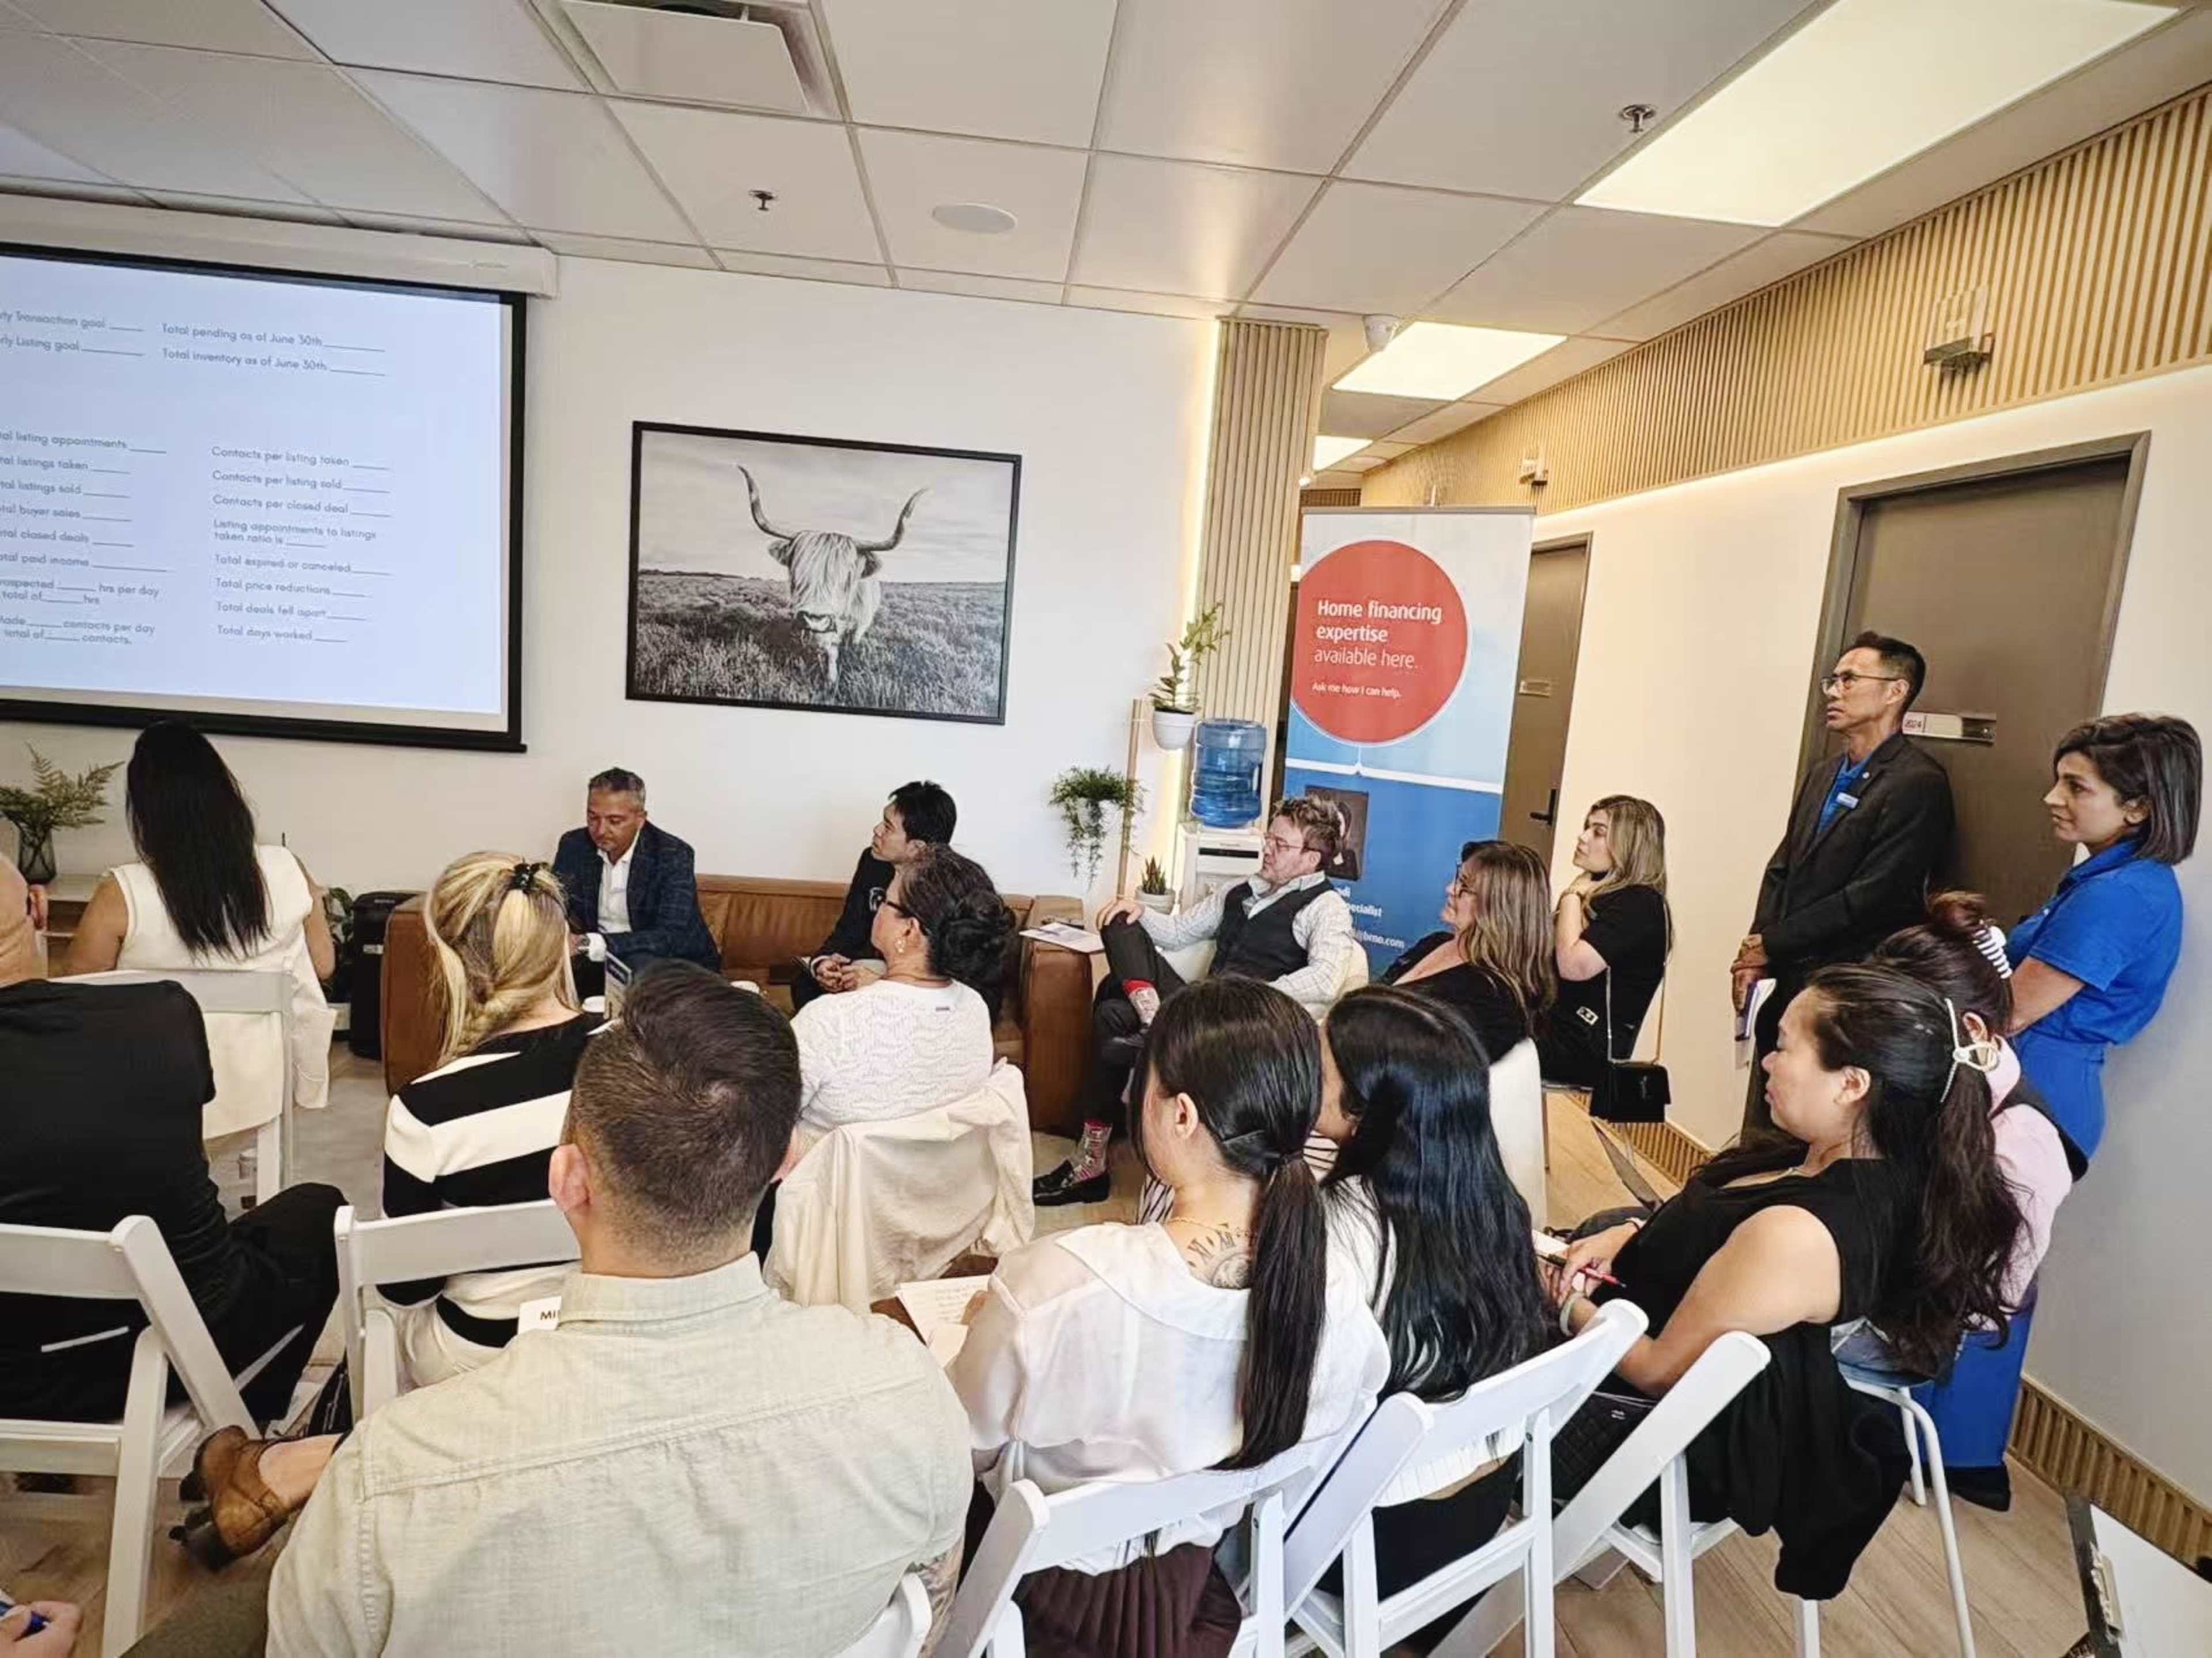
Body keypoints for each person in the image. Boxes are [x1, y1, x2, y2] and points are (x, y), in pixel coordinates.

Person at [250, 964, 971, 1656]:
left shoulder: (390, 1482)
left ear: (568, 1182)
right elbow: (929, 1616)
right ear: (786, 1158)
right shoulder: (910, 1391)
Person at [1550, 964, 2022, 1598]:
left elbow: (1659, 1369)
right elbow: (1701, 1231)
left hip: (1616, 1420)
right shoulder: (1825, 1154)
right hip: (1608, 1325)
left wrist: (1565, 1302)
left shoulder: (1801, 1235)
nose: (1767, 1062)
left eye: (1784, 1046)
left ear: (1852, 1083)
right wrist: (1629, 1232)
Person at [950, 978, 1388, 1658]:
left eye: (1141, 1083)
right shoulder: (1334, 1292)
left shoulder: (1057, 1283)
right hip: (1188, 1596)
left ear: (1180, 1114)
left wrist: (997, 1321)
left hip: (1038, 1599)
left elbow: (959, 1447)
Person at [0, 857, 342, 1432]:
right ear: (37, 906)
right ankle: (237, 1446)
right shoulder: (158, 1016)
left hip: (13, 1368)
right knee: (319, 1212)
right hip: (168, 1350)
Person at [1315, 986, 1549, 1598]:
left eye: (1319, 1060)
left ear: (1363, 1111)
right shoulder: (1494, 1200)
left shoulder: (1341, 1226)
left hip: (1371, 1538)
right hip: (1480, 1505)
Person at [1034, 796, 1358, 1207]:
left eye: (1280, 843)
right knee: (1121, 930)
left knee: (1114, 1005)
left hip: (1246, 1026)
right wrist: (1138, 910)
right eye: (1269, 837)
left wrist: (1256, 993)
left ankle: (1091, 1162)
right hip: (1200, 1010)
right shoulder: (1243, 889)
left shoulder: (1327, 907)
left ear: (1312, 858)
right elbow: (1178, 931)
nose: (1268, 848)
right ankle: (1156, 1026)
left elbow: (1326, 977)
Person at [1871, 891, 2075, 1511]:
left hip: (1894, 1319)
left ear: (1969, 1031)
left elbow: (1985, 1300)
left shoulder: (2022, 1147)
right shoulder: (1926, 1080)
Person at [378, 853, 599, 1390]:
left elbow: (407, 1287)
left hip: (479, 1361)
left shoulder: (425, 1109)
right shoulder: (638, 1053)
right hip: (611, 1338)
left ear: (454, 961)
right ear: (560, 945)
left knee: (387, 1317)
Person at [62, 721, 337, 1151]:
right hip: (264, 1078)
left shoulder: (123, 892)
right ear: (226, 796)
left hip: (154, 1083)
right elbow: (323, 965)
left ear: (146, 811)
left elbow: (78, 993)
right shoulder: (286, 868)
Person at [1734, 632, 1955, 1132]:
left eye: (1849, 679)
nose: (1833, 691)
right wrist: (1755, 947)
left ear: (1895, 691)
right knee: (1769, 1108)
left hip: (1845, 982)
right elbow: (1783, 865)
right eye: (1832, 680)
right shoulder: (1824, 772)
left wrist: (1773, 941)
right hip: (1784, 971)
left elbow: (1874, 895)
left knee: (1816, 1120)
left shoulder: (1917, 782)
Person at [2005, 713, 2199, 1164]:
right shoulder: (2115, 879)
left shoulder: (2120, 895)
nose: (2052, 797)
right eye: (2058, 781)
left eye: (2077, 787)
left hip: (2034, 1097)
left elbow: (2011, 1011)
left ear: (2138, 808)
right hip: (2031, 1086)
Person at [792, 844, 1012, 1139]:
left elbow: (762, 1122)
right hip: (935, 1183)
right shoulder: (974, 1009)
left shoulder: (828, 1020)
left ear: (909, 931)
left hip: (832, 1182)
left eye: (885, 901)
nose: (878, 908)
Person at [1378, 839, 1553, 1061]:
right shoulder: (1434, 943)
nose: (1450, 889)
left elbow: (1436, 1068)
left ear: (1498, 908)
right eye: (1458, 878)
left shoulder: (1496, 999)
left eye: (1465, 887)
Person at [1539, 796, 1672, 1088]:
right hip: (1556, 1029)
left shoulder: (1641, 903)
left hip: (1584, 1048)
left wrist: (1572, 894)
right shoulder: (1602, 895)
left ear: (1629, 844)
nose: (1582, 837)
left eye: (1598, 832)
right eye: (1587, 827)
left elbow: (1573, 966)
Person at [791, 780, 957, 1010]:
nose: (877, 830)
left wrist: (885, 984)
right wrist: (824, 963)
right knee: (806, 985)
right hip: (866, 971)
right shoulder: (873, 863)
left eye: (888, 827)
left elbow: (949, 971)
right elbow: (849, 929)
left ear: (917, 847)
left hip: (916, 989)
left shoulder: (954, 884)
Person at [552, 767, 719, 995]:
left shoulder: (672, 854)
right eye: (593, 818)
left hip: (664, 960)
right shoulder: (574, 845)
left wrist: (589, 943)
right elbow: (556, 904)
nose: (601, 830)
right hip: (596, 958)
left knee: (639, 966)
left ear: (640, 819)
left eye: (615, 820)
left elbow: (670, 937)